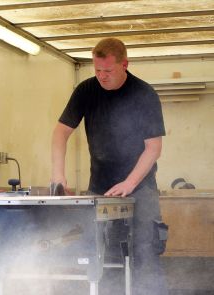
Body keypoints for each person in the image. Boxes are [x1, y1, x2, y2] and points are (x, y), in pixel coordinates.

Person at [51, 38, 168, 295]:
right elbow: (60, 133)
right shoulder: (85, 91)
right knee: (99, 253)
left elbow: (153, 148)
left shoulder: (144, 94)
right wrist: (59, 176)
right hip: (100, 189)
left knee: (145, 252)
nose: (102, 76)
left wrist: (128, 183)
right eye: (97, 71)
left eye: (108, 71)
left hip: (140, 188)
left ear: (124, 64)